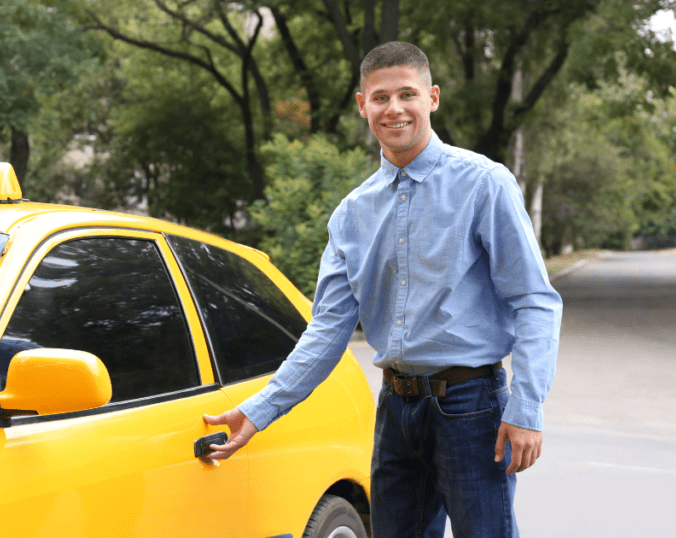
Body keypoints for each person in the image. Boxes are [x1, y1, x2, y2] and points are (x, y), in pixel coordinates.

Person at [203, 41, 562, 537]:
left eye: (407, 94)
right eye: (380, 98)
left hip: (471, 406)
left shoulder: (483, 183)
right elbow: (327, 329)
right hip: (396, 410)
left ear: (432, 98)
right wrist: (261, 410)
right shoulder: (351, 214)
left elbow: (535, 300)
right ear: (362, 105)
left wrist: (526, 407)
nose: (394, 109)